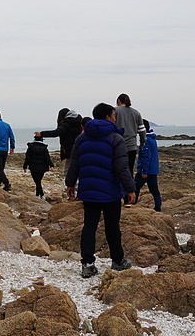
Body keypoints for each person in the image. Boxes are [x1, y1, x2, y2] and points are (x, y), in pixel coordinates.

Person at [65, 102, 136, 278]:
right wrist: (130, 188)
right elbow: (122, 167)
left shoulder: (82, 138)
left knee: (89, 226)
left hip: (88, 190)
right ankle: (118, 261)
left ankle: (88, 264)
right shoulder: (115, 138)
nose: (115, 118)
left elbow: (75, 164)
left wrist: (70, 184)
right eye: (114, 115)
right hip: (110, 190)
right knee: (112, 227)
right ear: (107, 117)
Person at [35, 108, 82, 174]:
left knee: (67, 170)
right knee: (78, 169)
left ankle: (70, 184)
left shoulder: (66, 124)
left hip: (70, 150)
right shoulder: (79, 122)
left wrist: (42, 134)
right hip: (81, 148)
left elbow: (56, 133)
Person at [115, 93, 146, 185]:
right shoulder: (136, 113)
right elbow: (142, 130)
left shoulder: (115, 111)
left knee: (117, 171)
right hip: (131, 147)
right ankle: (129, 195)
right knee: (129, 171)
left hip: (117, 146)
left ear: (118, 101)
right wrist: (142, 142)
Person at [135, 119, 161, 212]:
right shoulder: (152, 139)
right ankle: (158, 207)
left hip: (146, 170)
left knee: (135, 187)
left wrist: (143, 170)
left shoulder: (145, 140)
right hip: (153, 170)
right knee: (154, 190)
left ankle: (132, 204)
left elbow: (146, 156)